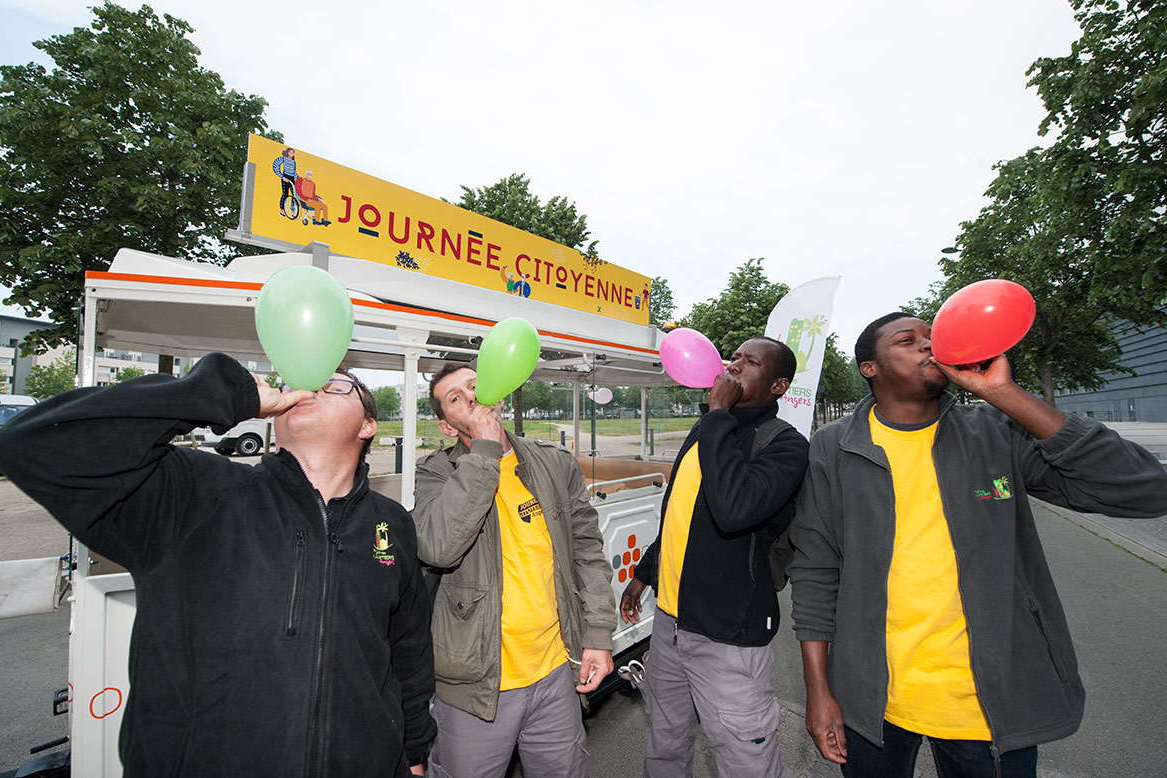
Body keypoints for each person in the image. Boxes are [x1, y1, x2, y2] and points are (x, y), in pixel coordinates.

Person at [0, 353, 436, 777]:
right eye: (296, 383)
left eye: (335, 384)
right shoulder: (189, 491)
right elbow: (31, 443)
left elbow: (408, 650)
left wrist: (413, 751)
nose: (309, 386)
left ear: (367, 425)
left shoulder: (391, 522)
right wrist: (225, 392)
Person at [788, 313, 1167, 778]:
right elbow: (815, 570)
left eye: (934, 337)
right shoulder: (831, 448)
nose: (929, 346)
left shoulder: (995, 430)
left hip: (985, 704)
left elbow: (1147, 489)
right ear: (869, 367)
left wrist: (1005, 395)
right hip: (869, 701)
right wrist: (818, 690)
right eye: (908, 341)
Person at [412, 362, 617, 778]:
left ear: (496, 392)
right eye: (456, 398)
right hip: (475, 684)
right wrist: (485, 453)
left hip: (556, 671)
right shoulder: (435, 472)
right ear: (447, 428)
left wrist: (598, 635)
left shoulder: (554, 464)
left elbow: (587, 554)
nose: (470, 397)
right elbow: (439, 547)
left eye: (475, 386)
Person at [620, 336, 810, 778]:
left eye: (751, 361)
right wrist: (645, 572)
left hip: (728, 634)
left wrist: (719, 415)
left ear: (779, 386)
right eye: (735, 357)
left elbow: (733, 509)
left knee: (744, 756)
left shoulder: (785, 446)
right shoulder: (709, 428)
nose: (735, 365)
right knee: (666, 743)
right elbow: (682, 513)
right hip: (669, 623)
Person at [273, 146, 297, 214]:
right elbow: (275, 166)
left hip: (292, 178)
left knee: (294, 194)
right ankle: (282, 209)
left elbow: (294, 172)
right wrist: (283, 177)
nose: (292, 153)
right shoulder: (283, 159)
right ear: (287, 153)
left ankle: (293, 210)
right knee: (285, 193)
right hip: (285, 177)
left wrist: (298, 178)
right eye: (291, 152)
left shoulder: (293, 162)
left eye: (293, 152)